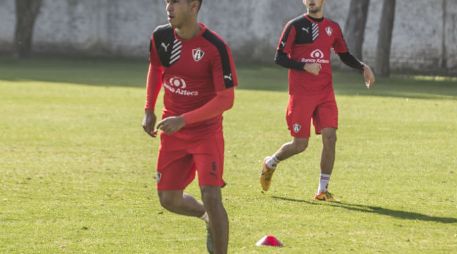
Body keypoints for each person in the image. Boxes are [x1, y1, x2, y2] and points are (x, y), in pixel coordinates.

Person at [142, 0, 237, 253]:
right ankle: (206, 217)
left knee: (212, 195)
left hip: (205, 133)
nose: (168, 7)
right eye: (167, 1)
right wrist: (149, 109)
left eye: (175, 2)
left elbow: (226, 99)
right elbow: (156, 67)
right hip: (172, 131)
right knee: (168, 199)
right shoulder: (160, 37)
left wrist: (183, 120)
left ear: (194, 6)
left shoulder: (215, 47)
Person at [260, 0, 375, 201]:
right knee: (300, 145)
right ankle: (271, 163)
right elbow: (279, 57)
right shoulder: (294, 26)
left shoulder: (333, 27)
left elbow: (344, 54)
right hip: (301, 95)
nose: (311, 0)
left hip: (325, 94)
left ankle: (322, 189)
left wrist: (362, 67)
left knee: (330, 138)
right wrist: (304, 65)